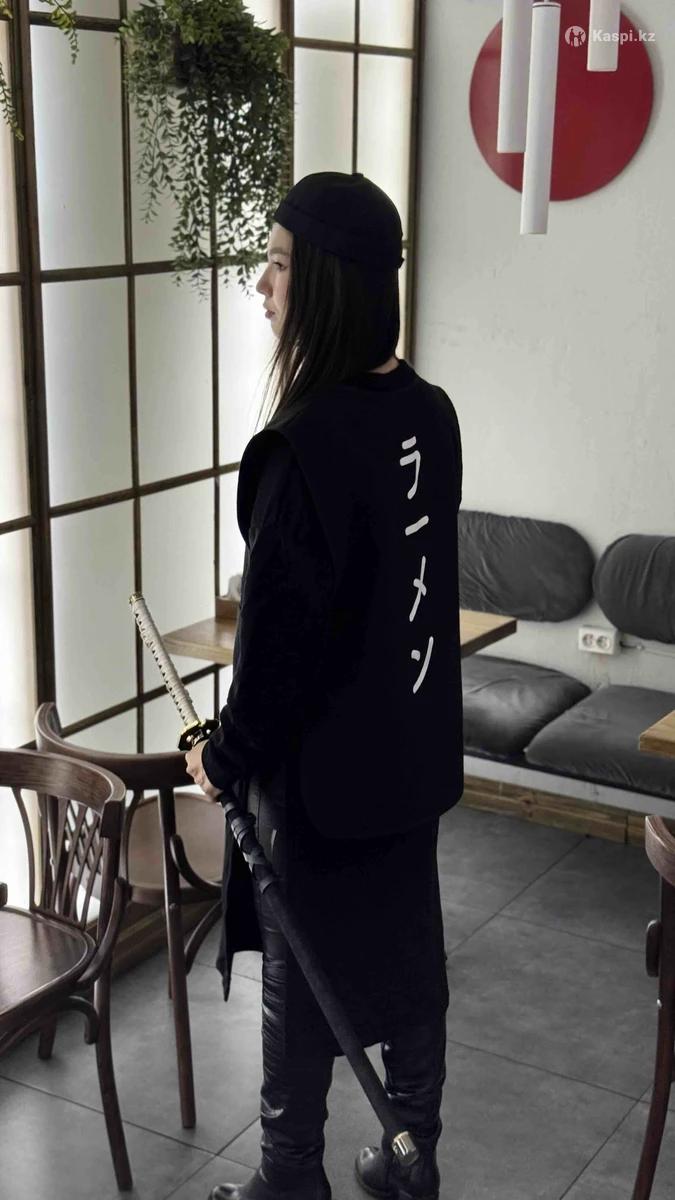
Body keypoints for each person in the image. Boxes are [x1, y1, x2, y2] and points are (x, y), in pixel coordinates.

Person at [184, 171, 464, 1200]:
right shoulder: (428, 413)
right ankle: (413, 1149)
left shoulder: (299, 448)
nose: (262, 286)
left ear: (333, 283)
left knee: (300, 979)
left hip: (324, 788)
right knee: (409, 955)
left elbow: (276, 655)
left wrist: (220, 757)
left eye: (277, 264)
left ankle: (289, 1175)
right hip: (410, 761)